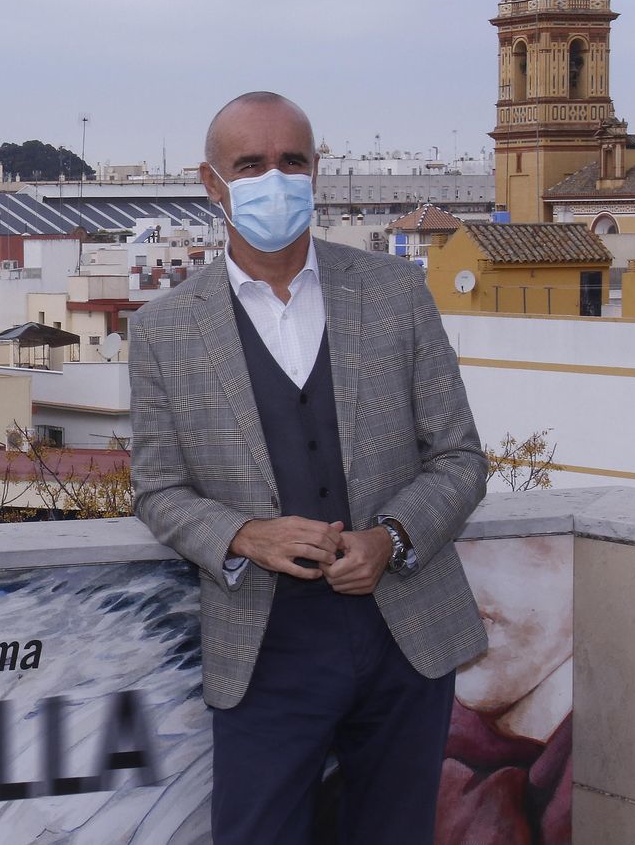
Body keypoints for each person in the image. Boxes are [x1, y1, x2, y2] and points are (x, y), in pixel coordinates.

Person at [130, 92, 488, 845]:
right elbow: (159, 489)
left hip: (405, 640)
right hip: (264, 651)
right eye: (250, 165)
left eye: (291, 161)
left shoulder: (394, 291)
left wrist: (391, 538)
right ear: (211, 182)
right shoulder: (165, 328)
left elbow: (459, 457)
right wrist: (244, 535)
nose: (275, 180)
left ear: (316, 170)